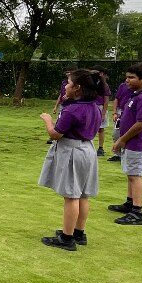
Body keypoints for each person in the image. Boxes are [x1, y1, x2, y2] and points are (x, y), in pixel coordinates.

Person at [38, 68, 104, 251]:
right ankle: (78, 232)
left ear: (77, 88)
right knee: (82, 194)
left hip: (73, 151)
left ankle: (67, 238)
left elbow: (55, 134)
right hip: (87, 149)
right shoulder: (93, 107)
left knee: (71, 195)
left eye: (68, 83)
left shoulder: (73, 110)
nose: (65, 86)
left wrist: (48, 120)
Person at [108, 62, 142, 226]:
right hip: (130, 142)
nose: (127, 80)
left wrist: (122, 140)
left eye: (131, 77)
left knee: (135, 175)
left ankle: (137, 212)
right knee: (130, 173)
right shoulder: (134, 95)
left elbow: (141, 123)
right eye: (126, 77)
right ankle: (130, 203)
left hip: (137, 142)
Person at [106, 74, 132, 163]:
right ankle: (117, 154)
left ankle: (127, 154)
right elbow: (117, 98)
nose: (128, 80)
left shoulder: (137, 89)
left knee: (128, 133)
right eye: (127, 77)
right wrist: (114, 112)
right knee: (116, 133)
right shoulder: (122, 86)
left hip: (130, 112)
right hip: (121, 112)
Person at [46, 67, 75, 146]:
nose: (68, 73)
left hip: (70, 104)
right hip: (63, 104)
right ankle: (54, 137)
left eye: (70, 72)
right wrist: (56, 106)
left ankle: (58, 135)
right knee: (59, 119)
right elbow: (60, 95)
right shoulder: (64, 83)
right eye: (67, 72)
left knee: (65, 120)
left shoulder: (74, 83)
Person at [91, 65, 112, 156]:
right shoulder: (90, 84)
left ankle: (100, 148)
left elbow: (106, 100)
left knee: (101, 129)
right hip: (91, 107)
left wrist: (103, 113)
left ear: (101, 73)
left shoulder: (104, 85)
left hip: (100, 107)